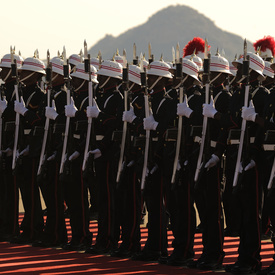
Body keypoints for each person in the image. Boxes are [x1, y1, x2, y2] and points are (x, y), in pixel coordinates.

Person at [204, 49, 267, 274]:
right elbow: (227, 127)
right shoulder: (240, 95)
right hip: (234, 155)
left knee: (252, 211)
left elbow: (264, 129)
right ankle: (243, 255)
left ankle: (252, 258)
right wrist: (217, 152)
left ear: (253, 72)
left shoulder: (262, 95)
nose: (238, 71)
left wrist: (255, 156)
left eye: (241, 68)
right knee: (238, 208)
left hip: (251, 157)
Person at [85, 59, 124, 254]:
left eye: (102, 75)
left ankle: (108, 239)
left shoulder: (117, 98)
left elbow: (116, 125)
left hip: (108, 152)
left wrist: (102, 146)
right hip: (98, 150)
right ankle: (103, 237)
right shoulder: (100, 97)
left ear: (110, 78)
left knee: (108, 199)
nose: (98, 77)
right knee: (101, 198)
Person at [32, 55, 69, 247]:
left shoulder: (63, 95)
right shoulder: (49, 94)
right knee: (48, 194)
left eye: (53, 72)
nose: (50, 76)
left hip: (56, 149)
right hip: (44, 149)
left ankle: (55, 235)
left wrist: (54, 116)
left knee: (55, 197)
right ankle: (53, 232)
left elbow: (65, 122)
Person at [60, 61, 97, 251]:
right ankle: (76, 235)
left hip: (81, 154)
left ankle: (83, 235)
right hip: (72, 151)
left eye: (75, 79)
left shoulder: (89, 100)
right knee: (72, 199)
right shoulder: (76, 98)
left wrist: (79, 151)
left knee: (80, 200)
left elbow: (89, 131)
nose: (72, 81)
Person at [11, 52, 46, 244]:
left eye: (25, 72)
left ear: (34, 75)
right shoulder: (21, 92)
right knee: (25, 189)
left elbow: (39, 122)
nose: (21, 74)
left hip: (32, 147)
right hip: (20, 145)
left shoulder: (40, 96)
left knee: (32, 191)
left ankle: (34, 228)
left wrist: (24, 112)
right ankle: (28, 226)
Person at [0, 50, 23, 242]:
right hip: (3, 146)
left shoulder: (18, 91)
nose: (0, 72)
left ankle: (12, 227)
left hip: (13, 147)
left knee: (10, 192)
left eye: (4, 69)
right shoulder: (3, 90)